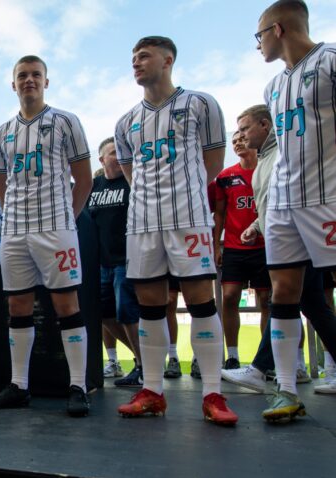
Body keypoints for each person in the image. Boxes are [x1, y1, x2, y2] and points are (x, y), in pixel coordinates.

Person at [114, 37, 238, 426]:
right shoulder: (125, 121)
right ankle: (153, 391)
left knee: (201, 301)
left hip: (189, 218)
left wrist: (180, 195)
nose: (136, 62)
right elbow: (133, 175)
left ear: (167, 60)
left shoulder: (201, 104)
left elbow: (212, 163)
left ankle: (213, 394)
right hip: (143, 223)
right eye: (133, 57)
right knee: (150, 306)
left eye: (144, 56)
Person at [0, 55, 93, 416]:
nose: (29, 80)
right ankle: (19, 385)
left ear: (46, 81)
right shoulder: (1, 133)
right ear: (12, 84)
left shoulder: (66, 121)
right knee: (17, 307)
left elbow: (85, 178)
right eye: (22, 76)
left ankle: (78, 385)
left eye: (35, 75)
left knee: (66, 306)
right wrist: (14, 218)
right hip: (15, 232)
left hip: (55, 228)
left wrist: (67, 219)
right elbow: (2, 186)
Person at [253, 1, 336, 420]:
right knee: (284, 292)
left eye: (259, 35)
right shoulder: (272, 87)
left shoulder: (330, 61)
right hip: (284, 202)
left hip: (329, 195)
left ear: (279, 29)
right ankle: (286, 389)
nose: (258, 44)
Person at [222, 105, 336, 399]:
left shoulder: (284, 154)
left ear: (265, 125)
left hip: (297, 239)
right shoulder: (267, 159)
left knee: (282, 299)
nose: (242, 134)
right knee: (313, 308)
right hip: (288, 238)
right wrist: (257, 225)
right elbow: (273, 199)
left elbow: (291, 195)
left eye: (246, 128)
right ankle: (260, 370)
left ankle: (259, 370)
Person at [211, 130, 270, 369]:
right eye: (234, 141)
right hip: (234, 247)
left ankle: (265, 360)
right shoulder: (226, 177)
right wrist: (216, 244)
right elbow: (220, 213)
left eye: (242, 138)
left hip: (264, 246)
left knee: (266, 300)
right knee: (229, 297)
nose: (238, 143)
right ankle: (232, 355)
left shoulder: (268, 169)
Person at [87, 137, 143, 387]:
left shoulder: (133, 182)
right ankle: (141, 358)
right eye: (113, 153)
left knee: (127, 313)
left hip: (127, 259)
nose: (120, 157)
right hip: (100, 263)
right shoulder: (92, 186)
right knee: (104, 315)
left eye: (123, 152)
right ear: (102, 160)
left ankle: (143, 366)